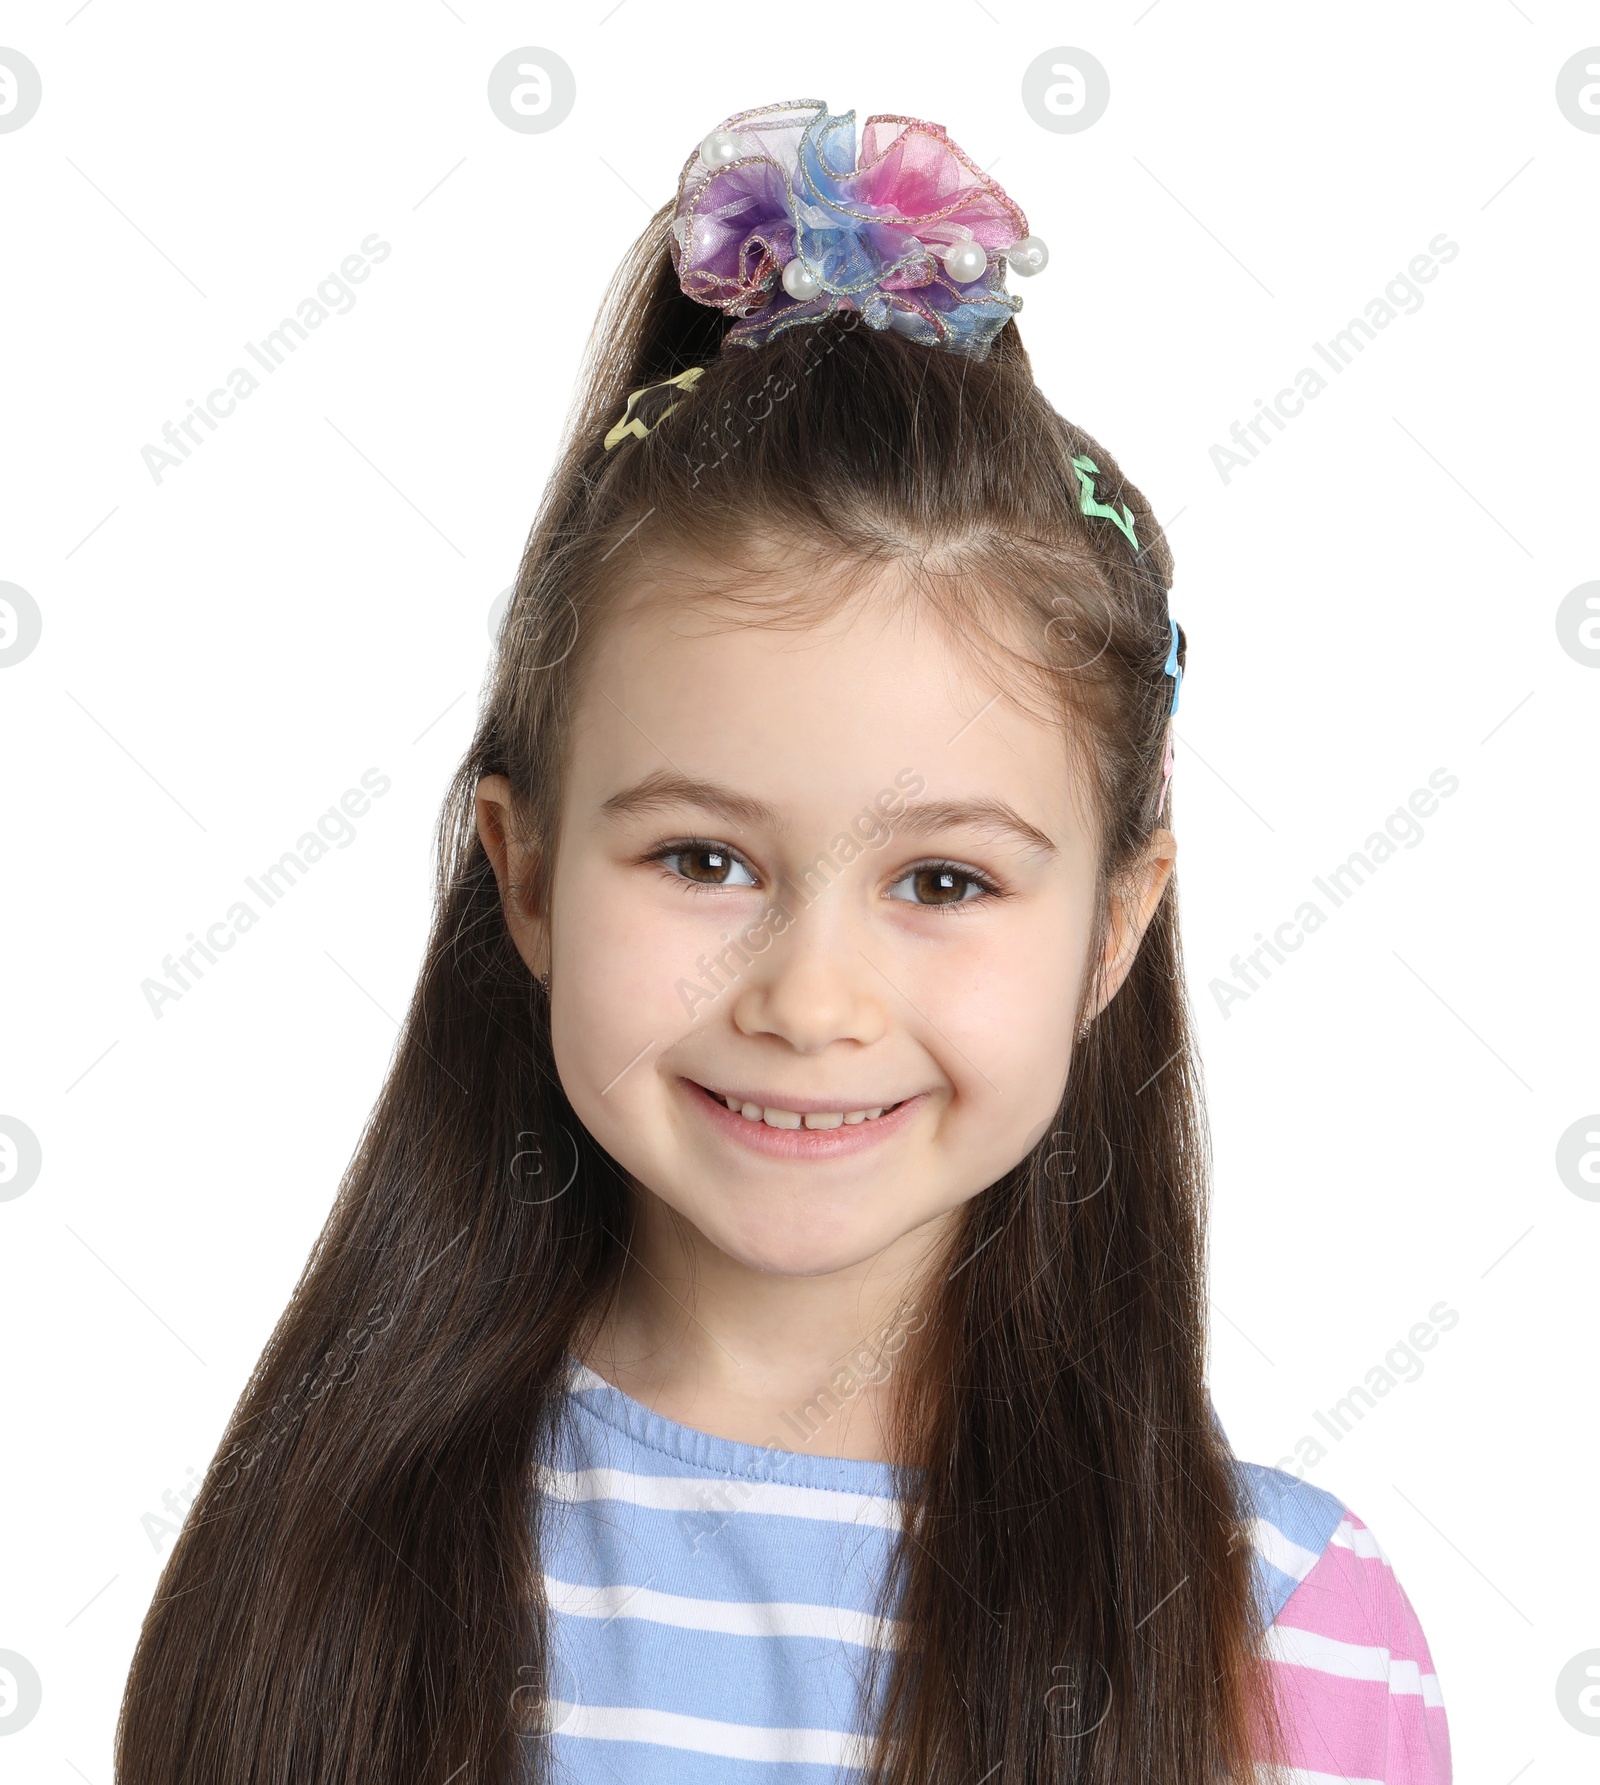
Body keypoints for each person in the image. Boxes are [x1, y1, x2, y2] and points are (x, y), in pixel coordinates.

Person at [116, 99, 1452, 1784]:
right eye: (703, 856)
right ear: (523, 876)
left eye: (946, 881)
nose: (812, 999)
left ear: (1116, 923)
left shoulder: (1281, 1631)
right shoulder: (329, 1579)